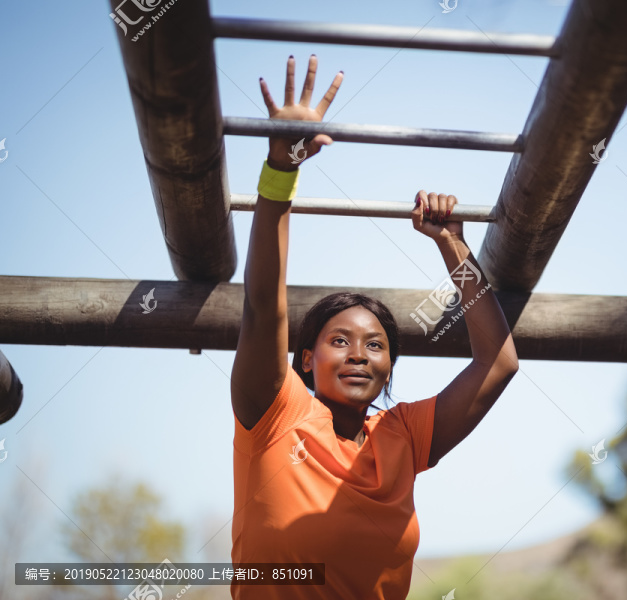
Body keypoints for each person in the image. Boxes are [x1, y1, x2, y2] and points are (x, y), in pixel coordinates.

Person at [230, 54, 519, 600]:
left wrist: (452, 244)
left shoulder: (402, 437)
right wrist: (282, 169)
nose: (360, 354)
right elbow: (263, 305)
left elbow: (498, 363)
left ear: (389, 368)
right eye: (340, 340)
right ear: (307, 359)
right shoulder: (275, 412)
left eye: (376, 345)